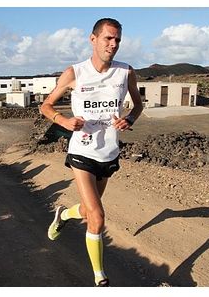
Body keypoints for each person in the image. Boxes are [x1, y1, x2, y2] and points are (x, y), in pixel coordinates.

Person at [40, 18, 143, 287]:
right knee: (97, 217)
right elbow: (46, 106)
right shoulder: (74, 73)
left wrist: (129, 119)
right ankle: (100, 278)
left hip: (108, 153)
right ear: (93, 39)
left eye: (117, 39)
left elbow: (138, 105)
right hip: (81, 152)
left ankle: (63, 215)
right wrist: (63, 121)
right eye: (108, 38)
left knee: (87, 211)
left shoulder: (126, 72)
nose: (113, 44)